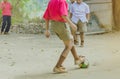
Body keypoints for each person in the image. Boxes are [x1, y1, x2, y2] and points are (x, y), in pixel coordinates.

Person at [43, 0, 85, 73]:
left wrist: (47, 29)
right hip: (61, 24)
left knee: (70, 41)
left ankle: (77, 59)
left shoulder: (51, 2)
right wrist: (71, 24)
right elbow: (63, 15)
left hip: (54, 25)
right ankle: (58, 66)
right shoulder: (62, 1)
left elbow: (46, 16)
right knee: (68, 45)